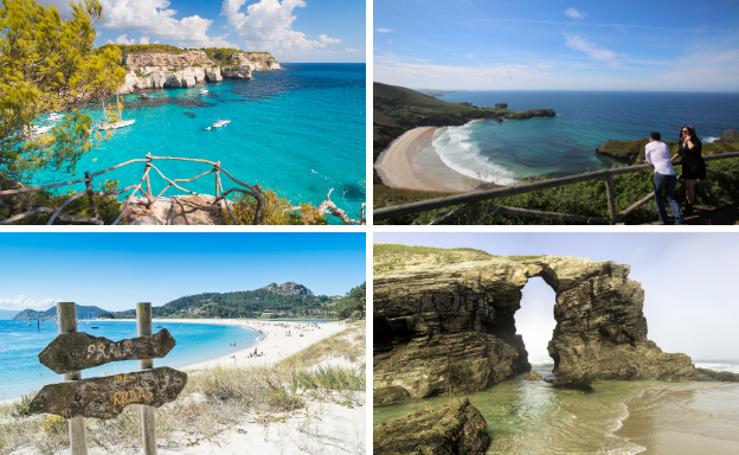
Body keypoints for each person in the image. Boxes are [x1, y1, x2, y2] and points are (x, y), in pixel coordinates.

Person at [644, 132, 681, 225]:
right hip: (672, 173)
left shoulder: (648, 145)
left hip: (660, 173)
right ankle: (678, 220)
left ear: (651, 138)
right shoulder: (664, 145)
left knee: (659, 197)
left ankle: (664, 220)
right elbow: (666, 157)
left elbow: (648, 160)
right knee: (671, 198)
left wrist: (647, 162)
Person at [673, 125, 706, 214]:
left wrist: (688, 140)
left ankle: (690, 205)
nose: (684, 133)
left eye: (686, 131)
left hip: (694, 166)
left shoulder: (695, 141)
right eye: (683, 131)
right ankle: (689, 203)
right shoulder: (681, 141)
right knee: (688, 186)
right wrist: (671, 159)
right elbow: (680, 152)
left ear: (691, 132)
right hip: (686, 166)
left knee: (689, 186)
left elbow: (694, 150)